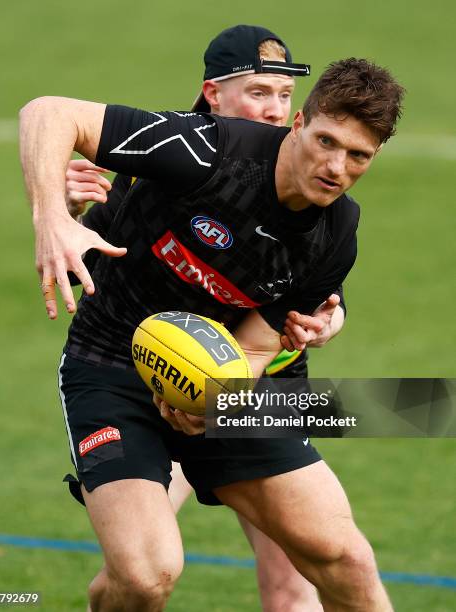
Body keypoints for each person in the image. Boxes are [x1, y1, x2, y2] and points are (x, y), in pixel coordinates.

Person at [20, 56, 404, 611]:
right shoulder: (207, 152)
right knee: (147, 575)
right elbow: (48, 112)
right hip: (110, 366)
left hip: (219, 380)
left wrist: (211, 399)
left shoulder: (337, 232)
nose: (336, 166)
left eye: (358, 156)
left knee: (345, 559)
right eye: (326, 141)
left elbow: (254, 344)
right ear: (298, 124)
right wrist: (51, 216)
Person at [64, 25, 342, 611]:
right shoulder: (177, 156)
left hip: (263, 383)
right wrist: (70, 210)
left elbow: (311, 282)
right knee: (141, 571)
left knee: (297, 582)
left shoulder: (306, 171)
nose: (275, 111)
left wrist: (325, 322)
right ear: (213, 94)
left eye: (285, 96)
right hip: (164, 374)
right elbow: (87, 274)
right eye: (258, 93)